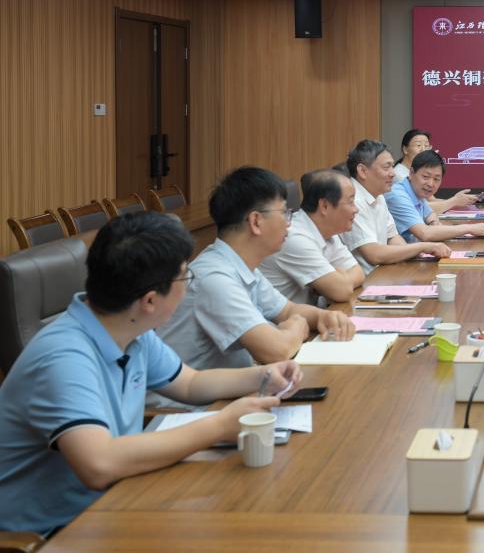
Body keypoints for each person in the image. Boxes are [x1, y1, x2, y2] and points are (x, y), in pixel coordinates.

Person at [0, 212, 301, 536]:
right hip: (49, 535)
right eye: (185, 278)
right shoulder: (63, 358)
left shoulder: (131, 329)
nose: (188, 286)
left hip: (116, 502)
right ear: (150, 300)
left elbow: (190, 383)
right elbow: (98, 464)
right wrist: (219, 426)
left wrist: (263, 376)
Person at [157, 167, 354, 373]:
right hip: (201, 394)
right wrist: (296, 327)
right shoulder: (214, 277)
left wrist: (322, 317)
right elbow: (276, 350)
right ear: (256, 221)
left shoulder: (241, 265)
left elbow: (287, 310)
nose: (289, 223)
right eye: (284, 213)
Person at [339, 140, 451, 273]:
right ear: (363, 171)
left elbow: (392, 237)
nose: (393, 173)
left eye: (392, 167)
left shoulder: (378, 195)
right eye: (386, 168)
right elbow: (374, 254)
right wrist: (422, 247)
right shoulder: (353, 201)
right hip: (365, 281)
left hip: (384, 273)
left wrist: (413, 255)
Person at [259, 168, 365, 305]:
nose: (356, 209)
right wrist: (338, 281)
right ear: (325, 206)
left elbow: (358, 273)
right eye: (350, 202)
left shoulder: (327, 229)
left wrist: (337, 280)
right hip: (286, 318)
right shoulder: (293, 237)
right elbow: (342, 291)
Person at [385, 150, 484, 242]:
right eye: (426, 176)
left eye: (436, 179)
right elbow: (425, 233)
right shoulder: (397, 194)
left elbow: (430, 214)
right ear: (411, 173)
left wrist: (433, 222)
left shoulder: (417, 191)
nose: (431, 184)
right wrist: (469, 228)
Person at [393, 128, 477, 214]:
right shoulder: (399, 175)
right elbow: (418, 208)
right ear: (405, 149)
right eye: (418, 145)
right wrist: (454, 201)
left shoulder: (416, 171)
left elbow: (431, 200)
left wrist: (458, 200)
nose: (423, 150)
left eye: (426, 146)